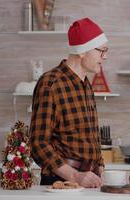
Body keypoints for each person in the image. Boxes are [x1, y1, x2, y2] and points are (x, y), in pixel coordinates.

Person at [30, 18, 108, 188]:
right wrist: (75, 175)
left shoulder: (86, 84)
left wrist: (100, 166)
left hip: (90, 180)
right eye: (101, 51)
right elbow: (38, 143)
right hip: (62, 183)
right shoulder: (51, 83)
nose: (105, 56)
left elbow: (90, 136)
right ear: (82, 52)